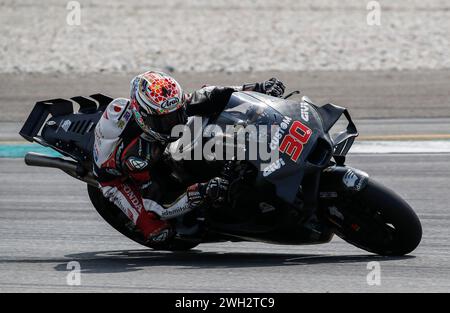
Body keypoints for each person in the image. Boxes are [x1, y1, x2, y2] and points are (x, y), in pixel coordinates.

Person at [93, 71, 285, 243]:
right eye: (166, 120)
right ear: (144, 118)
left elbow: (209, 95)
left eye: (176, 114)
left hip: (150, 138)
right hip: (114, 178)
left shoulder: (169, 106)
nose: (174, 123)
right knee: (156, 229)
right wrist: (201, 190)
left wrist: (258, 88)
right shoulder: (137, 156)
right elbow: (157, 204)